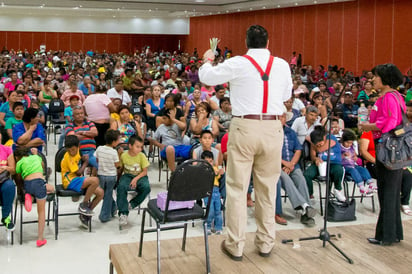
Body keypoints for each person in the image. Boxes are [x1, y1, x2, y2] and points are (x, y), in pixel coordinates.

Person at [199, 25, 292, 259]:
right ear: (268, 42)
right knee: (267, 188)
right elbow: (285, 96)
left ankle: (236, 244)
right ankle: (265, 243)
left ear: (246, 42)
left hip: (245, 126)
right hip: (273, 128)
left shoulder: (239, 62)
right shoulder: (281, 65)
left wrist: (207, 59)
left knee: (238, 188)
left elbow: (206, 77)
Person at [358, 63, 405, 246]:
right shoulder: (394, 96)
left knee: (387, 193)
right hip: (392, 149)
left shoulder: (389, 97)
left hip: (388, 149)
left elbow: (391, 122)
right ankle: (392, 233)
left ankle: (385, 236)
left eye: (376, 77)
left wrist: (368, 126)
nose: (373, 80)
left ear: (385, 79)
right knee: (390, 193)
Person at [279, 111, 316, 226]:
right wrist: (286, 164)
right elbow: (270, 153)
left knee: (300, 178)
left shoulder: (291, 132)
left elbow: (298, 150)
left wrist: (291, 164)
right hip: (277, 165)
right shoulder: (270, 133)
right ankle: (306, 206)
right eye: (279, 117)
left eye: (284, 117)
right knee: (286, 179)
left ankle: (306, 212)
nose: (282, 119)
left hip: (293, 164)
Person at [15, 147, 54, 247]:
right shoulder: (36, 157)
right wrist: (36, 154)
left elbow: (18, 177)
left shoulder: (19, 162)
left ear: (17, 157)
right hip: (39, 182)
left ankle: (29, 196)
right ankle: (40, 238)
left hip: (27, 184)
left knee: (37, 190)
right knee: (41, 212)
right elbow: (43, 168)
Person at [61, 135, 103, 228]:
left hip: (77, 180)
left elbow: (79, 159)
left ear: (78, 146)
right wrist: (86, 163)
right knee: (95, 180)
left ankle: (84, 215)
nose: (71, 152)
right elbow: (78, 172)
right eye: (68, 150)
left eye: (73, 149)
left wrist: (82, 158)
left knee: (100, 193)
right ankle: (83, 205)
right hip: (69, 181)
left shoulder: (78, 151)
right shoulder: (68, 157)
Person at [303, 126, 346, 201]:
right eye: (317, 144)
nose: (318, 146)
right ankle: (309, 194)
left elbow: (320, 149)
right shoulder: (314, 143)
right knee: (307, 174)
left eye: (320, 144)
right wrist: (315, 158)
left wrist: (312, 144)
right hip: (321, 164)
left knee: (339, 170)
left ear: (324, 137)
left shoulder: (331, 138)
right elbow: (312, 156)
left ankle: (337, 189)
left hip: (334, 163)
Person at [117, 135, 150, 226]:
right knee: (121, 187)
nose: (140, 149)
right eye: (137, 146)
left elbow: (145, 172)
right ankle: (123, 213)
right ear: (130, 146)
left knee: (146, 187)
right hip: (127, 175)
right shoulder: (124, 155)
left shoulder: (141, 156)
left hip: (140, 175)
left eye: (141, 147)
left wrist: (135, 179)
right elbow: (121, 168)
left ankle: (132, 204)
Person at [340, 129, 376, 195]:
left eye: (351, 143)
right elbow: (336, 158)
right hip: (344, 166)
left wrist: (355, 158)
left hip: (353, 164)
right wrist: (343, 155)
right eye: (347, 142)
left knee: (363, 169)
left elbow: (356, 157)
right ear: (343, 141)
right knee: (353, 170)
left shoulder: (351, 148)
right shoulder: (340, 148)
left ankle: (370, 183)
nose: (349, 144)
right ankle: (361, 186)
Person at [95, 130, 120, 223]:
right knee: (108, 194)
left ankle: (113, 209)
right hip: (111, 176)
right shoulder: (114, 152)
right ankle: (104, 216)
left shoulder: (99, 148)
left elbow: (96, 160)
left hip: (101, 174)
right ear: (113, 142)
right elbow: (117, 165)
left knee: (106, 194)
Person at [65, 106, 98, 175]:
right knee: (99, 166)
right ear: (73, 116)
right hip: (77, 152)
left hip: (92, 151)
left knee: (103, 164)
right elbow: (73, 138)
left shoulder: (89, 123)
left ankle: (93, 179)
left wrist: (81, 132)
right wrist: (89, 134)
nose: (80, 115)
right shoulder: (69, 125)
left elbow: (95, 133)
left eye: (82, 113)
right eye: (77, 114)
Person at [201, 150, 224, 235]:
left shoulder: (215, 168)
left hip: (216, 190)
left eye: (211, 161)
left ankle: (218, 227)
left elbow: (217, 178)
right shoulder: (202, 169)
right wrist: (215, 173)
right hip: (207, 191)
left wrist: (220, 173)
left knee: (218, 210)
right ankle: (208, 226)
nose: (209, 163)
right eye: (207, 162)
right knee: (210, 210)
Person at [0, 134, 16, 231]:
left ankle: (5, 217)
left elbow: (13, 170)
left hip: (3, 181)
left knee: (10, 185)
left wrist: (5, 168)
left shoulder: (7, 149)